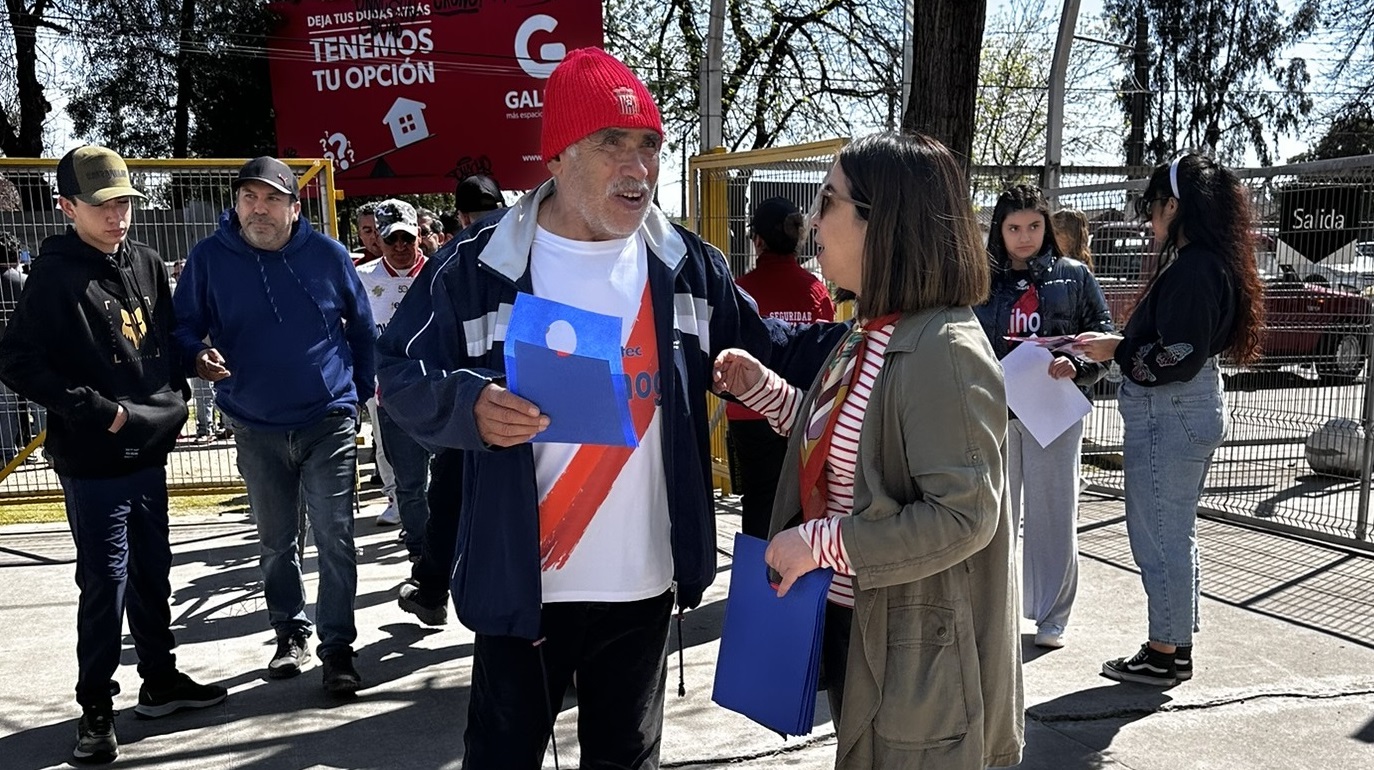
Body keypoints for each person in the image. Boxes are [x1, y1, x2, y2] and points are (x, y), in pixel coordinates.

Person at [375, 48, 806, 768]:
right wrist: (468, 404)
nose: (637, 166)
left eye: (649, 146)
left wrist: (752, 377)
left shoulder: (689, 265)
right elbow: (396, 372)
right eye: (613, 144)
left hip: (641, 586)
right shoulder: (477, 266)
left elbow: (770, 357)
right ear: (558, 157)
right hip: (523, 588)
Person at [712, 132, 1023, 769]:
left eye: (829, 202)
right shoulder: (869, 331)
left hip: (917, 648)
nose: (814, 219)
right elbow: (855, 451)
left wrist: (821, 543)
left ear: (885, 223)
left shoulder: (945, 348)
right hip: (861, 628)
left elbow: (964, 515)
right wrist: (768, 393)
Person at [0, 146, 227, 763]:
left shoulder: (148, 261)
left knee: (156, 574)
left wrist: (194, 361)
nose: (117, 216)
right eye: (102, 205)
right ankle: (95, 711)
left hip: (150, 453)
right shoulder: (53, 276)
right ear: (67, 206)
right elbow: (17, 361)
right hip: (95, 462)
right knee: (108, 583)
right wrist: (98, 410)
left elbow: (163, 337)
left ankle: (160, 681)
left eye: (125, 202)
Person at [172, 156, 376, 697]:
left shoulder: (329, 256)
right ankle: (290, 634)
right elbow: (184, 325)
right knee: (275, 542)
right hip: (255, 424)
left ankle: (337, 648)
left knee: (336, 535)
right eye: (248, 198)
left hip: (327, 418)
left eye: (270, 199)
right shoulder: (209, 258)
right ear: (236, 203)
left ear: (293, 205)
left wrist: (358, 393)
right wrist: (197, 355)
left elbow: (362, 329)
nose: (258, 209)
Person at [1073, 154, 1264, 686]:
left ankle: (1165, 650)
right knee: (1172, 534)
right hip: (1185, 409)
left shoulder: (1195, 267)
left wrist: (1118, 348)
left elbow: (1175, 355)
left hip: (1172, 412)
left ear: (1175, 206)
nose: (1149, 219)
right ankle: (1173, 643)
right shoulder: (1209, 262)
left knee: (1159, 537)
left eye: (1153, 207)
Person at [972, 184, 1114, 650]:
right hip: (996, 412)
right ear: (1000, 230)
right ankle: (993, 609)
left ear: (1047, 226)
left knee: (1054, 514)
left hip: (1054, 411)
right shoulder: (980, 281)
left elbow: (1105, 336)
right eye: (1014, 228)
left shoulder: (1073, 275)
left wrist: (1080, 366)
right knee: (994, 516)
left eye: (1034, 226)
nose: (1025, 236)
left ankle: (1054, 616)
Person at [394, 173, 510, 627]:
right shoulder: (534, 253)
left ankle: (431, 589)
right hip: (529, 412)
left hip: (470, 409)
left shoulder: (448, 264)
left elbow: (405, 357)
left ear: (459, 216)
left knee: (446, 498)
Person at [727, 196, 835, 538]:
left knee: (757, 502)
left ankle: (755, 582)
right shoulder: (816, 292)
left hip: (748, 414)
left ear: (757, 240)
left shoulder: (739, 292)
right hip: (802, 414)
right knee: (801, 502)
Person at [355, 199, 431, 559]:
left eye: (407, 239)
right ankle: (419, 552)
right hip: (392, 397)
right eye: (391, 240)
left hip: (441, 392)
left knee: (449, 479)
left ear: (419, 236)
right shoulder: (363, 279)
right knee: (409, 483)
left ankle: (448, 547)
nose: (400, 247)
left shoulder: (441, 271)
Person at [0, 230, 28, 463]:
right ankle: (42, 449)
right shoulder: (25, 283)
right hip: (27, 352)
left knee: (5, 405)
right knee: (39, 403)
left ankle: (7, 452)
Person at [353, 201, 383, 265]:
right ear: (359, 234)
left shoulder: (407, 267)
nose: (374, 236)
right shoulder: (353, 270)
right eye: (368, 231)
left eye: (379, 230)